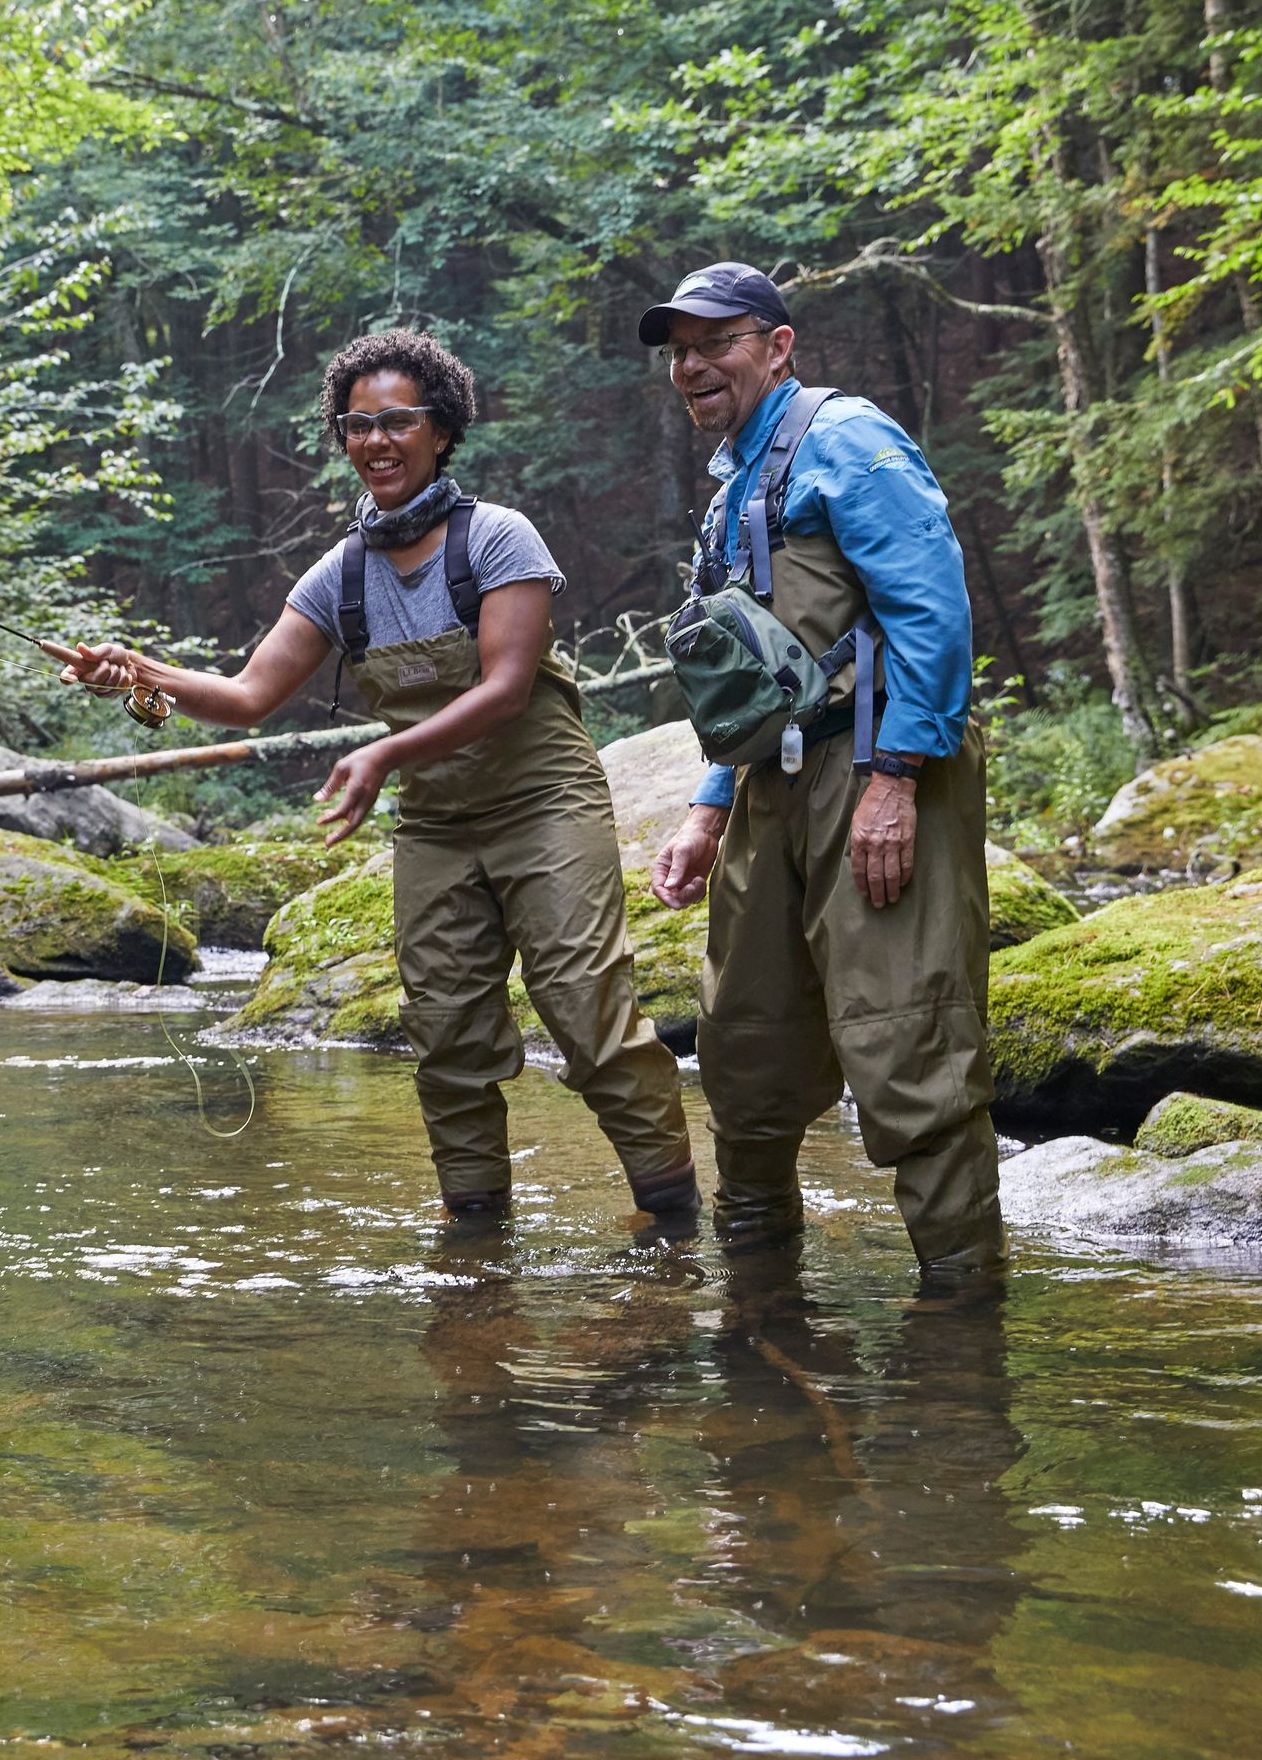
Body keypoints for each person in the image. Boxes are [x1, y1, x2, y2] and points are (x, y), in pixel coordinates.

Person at [63, 328, 697, 1227]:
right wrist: (139, 673)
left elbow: (510, 689)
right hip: (438, 827)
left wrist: (384, 753)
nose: (376, 440)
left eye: (398, 420)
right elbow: (248, 696)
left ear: (442, 429)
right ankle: (476, 1252)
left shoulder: (499, 541)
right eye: (356, 426)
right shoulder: (341, 575)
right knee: (447, 1040)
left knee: (587, 1018)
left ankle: (680, 1225)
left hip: (547, 807)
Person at [643, 263, 1003, 1286]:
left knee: (907, 1045)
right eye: (680, 351)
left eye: (718, 342)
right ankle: (758, 1312)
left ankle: (961, 1337)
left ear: (779, 344)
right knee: (744, 1047)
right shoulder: (730, 485)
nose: (695, 366)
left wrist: (895, 779)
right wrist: (709, 807)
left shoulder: (848, 439)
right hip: (769, 787)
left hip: (876, 766)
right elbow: (743, 674)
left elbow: (932, 612)